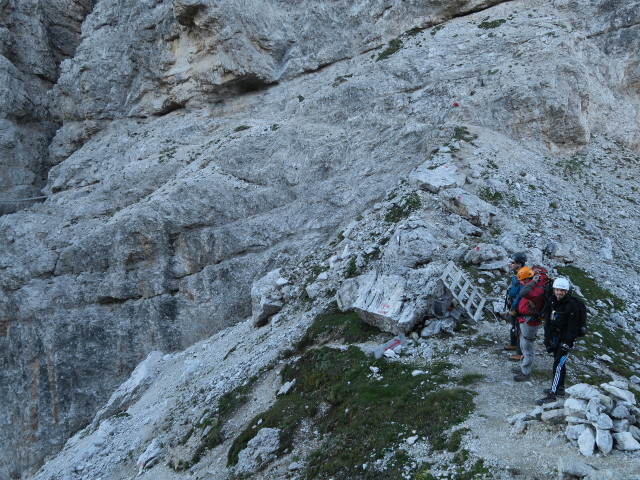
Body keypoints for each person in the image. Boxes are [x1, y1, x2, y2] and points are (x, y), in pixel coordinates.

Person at [536, 277, 581, 404]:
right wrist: (547, 339)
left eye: (562, 290)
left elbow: (573, 328)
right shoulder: (552, 301)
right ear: (554, 290)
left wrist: (567, 344)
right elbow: (549, 321)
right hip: (556, 337)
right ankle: (560, 388)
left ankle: (552, 394)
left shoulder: (572, 306)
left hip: (566, 339)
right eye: (557, 290)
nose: (559, 293)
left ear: (567, 291)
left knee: (558, 364)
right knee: (560, 364)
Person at [511, 266, 546, 382]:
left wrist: (533, 281)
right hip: (525, 319)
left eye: (522, 281)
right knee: (523, 344)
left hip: (530, 321)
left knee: (527, 347)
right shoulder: (533, 286)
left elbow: (524, 292)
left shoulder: (536, 289)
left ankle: (525, 373)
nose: (521, 283)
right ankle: (523, 367)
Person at [504, 252, 527, 360]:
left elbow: (522, 293)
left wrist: (515, 306)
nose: (510, 264)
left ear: (519, 264)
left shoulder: (524, 275)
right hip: (513, 302)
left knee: (519, 328)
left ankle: (520, 352)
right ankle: (513, 344)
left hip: (519, 306)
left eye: (513, 263)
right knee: (514, 325)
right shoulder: (516, 273)